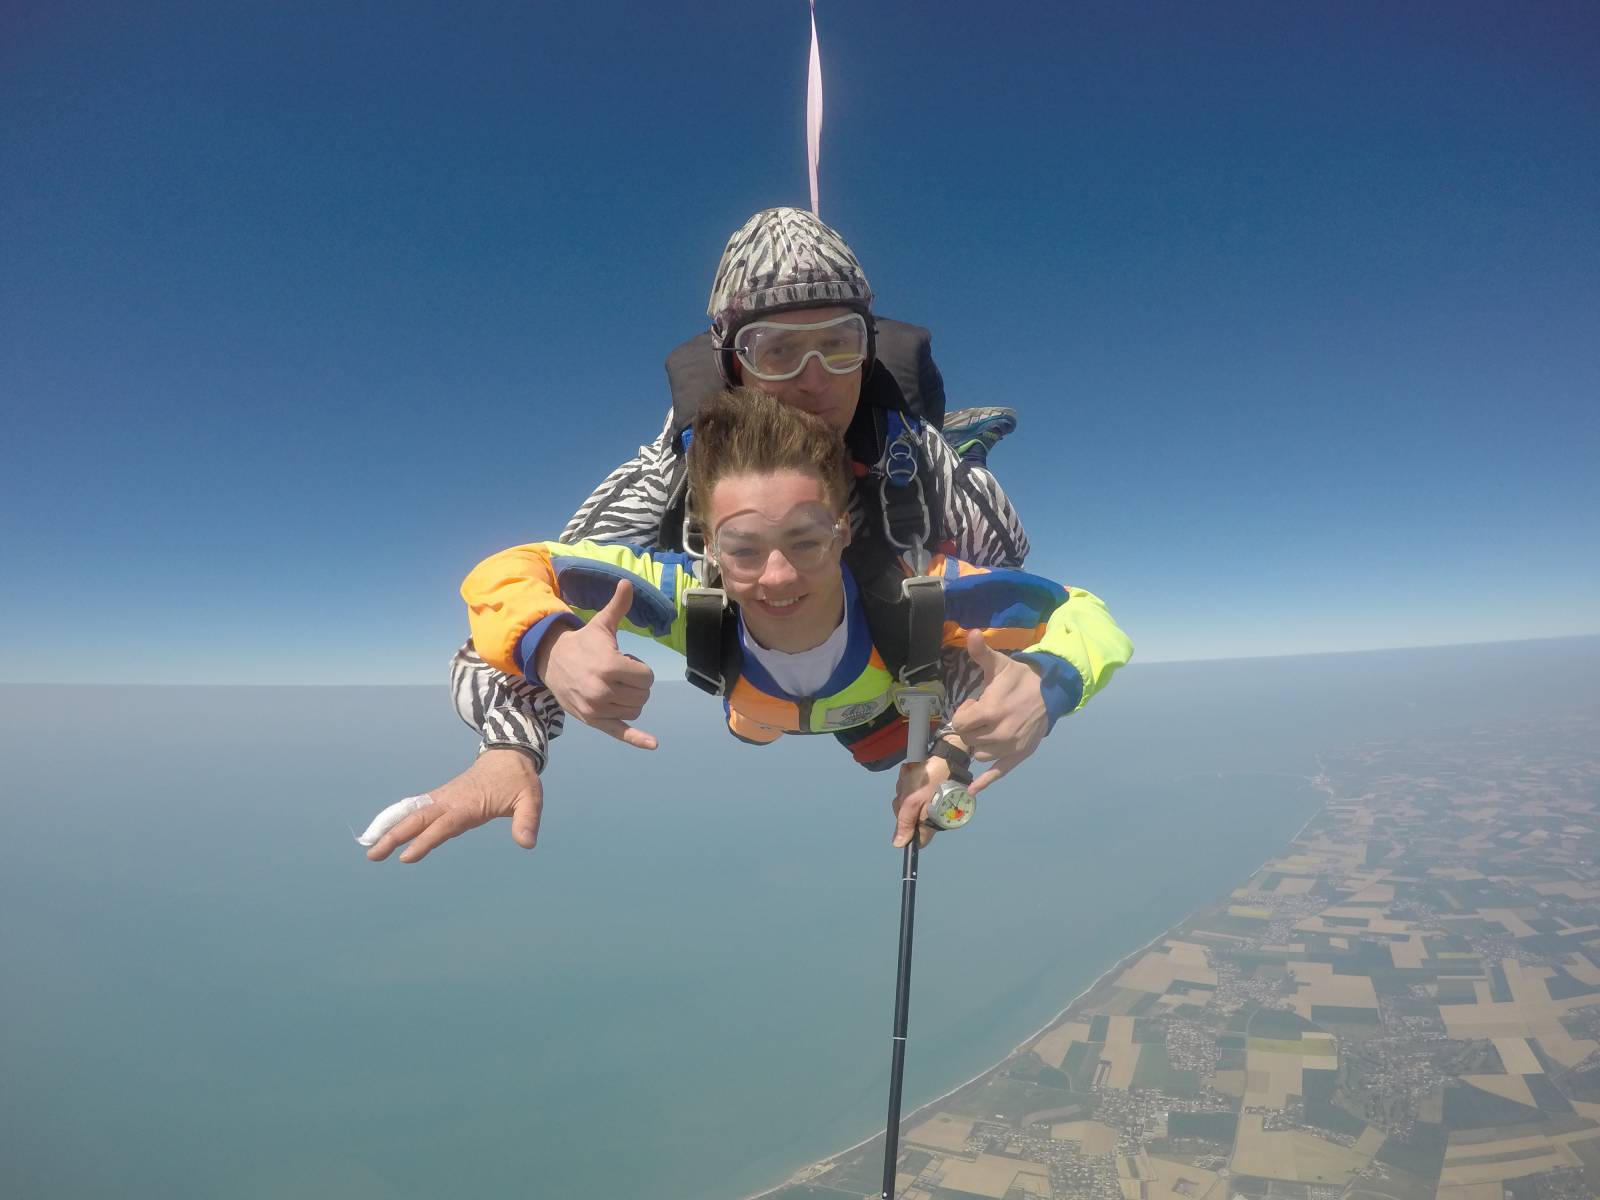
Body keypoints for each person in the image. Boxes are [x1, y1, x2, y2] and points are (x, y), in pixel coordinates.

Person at [421, 207, 1045, 858]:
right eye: (777, 349)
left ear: (867, 348)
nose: (814, 380)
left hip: (878, 641)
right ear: (735, 361)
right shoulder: (668, 479)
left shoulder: (921, 471)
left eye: (839, 344)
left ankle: (964, 442)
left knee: (885, 747)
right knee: (754, 719)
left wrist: (966, 743)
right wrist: (523, 714)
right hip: (772, 663)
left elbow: (1006, 610)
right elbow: (507, 618)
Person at [362, 390, 1131, 862]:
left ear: (843, 533)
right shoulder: (682, 597)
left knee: (893, 748)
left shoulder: (921, 597)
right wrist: (543, 664)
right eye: (743, 548)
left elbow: (1084, 613)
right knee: (758, 721)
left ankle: (956, 455)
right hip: (783, 697)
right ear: (708, 547)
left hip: (880, 680)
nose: (776, 578)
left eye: (805, 539)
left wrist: (1045, 688)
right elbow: (511, 568)